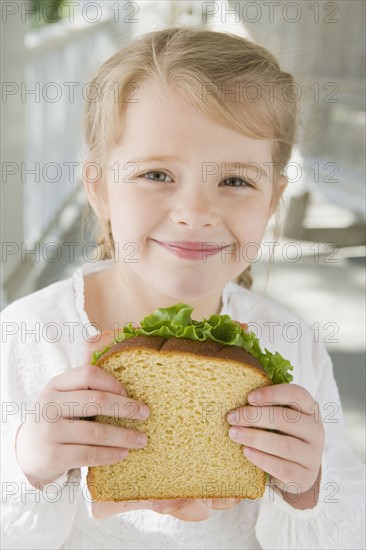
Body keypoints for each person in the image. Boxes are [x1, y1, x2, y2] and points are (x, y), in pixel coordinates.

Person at [1, 26, 364, 550]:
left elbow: (347, 525)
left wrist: (308, 491)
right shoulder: (26, 336)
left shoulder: (291, 342)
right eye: (156, 175)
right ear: (100, 188)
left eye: (236, 181)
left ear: (272, 200)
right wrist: (29, 467)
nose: (195, 213)